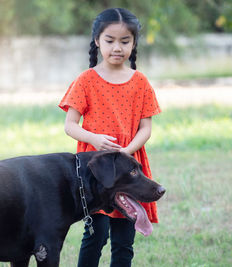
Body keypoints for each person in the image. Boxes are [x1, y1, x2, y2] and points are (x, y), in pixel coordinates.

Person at [58, 7, 161, 267]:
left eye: (125, 41)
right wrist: (93, 138)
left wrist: (126, 151)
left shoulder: (140, 82)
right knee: (95, 235)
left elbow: (145, 128)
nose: (117, 47)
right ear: (97, 41)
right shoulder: (86, 80)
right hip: (96, 174)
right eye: (110, 40)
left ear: (134, 43)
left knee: (125, 238)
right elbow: (70, 125)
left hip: (128, 171)